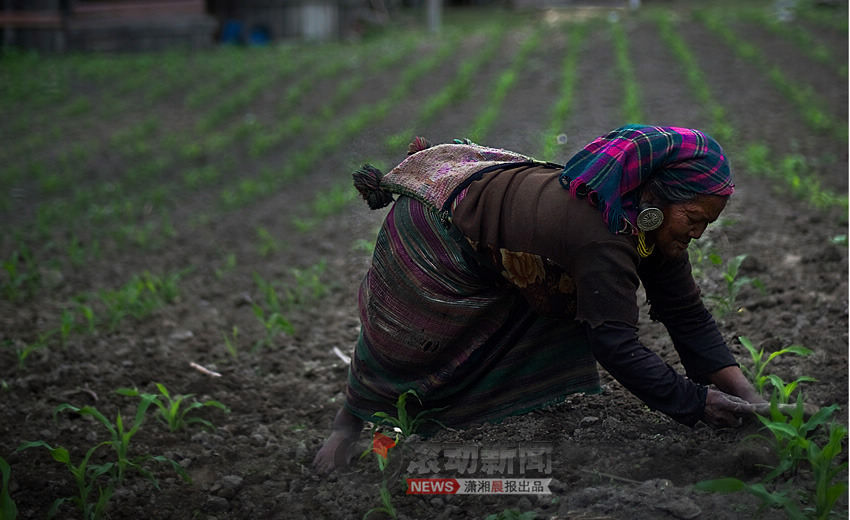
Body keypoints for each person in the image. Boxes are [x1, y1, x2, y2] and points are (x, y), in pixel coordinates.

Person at [313, 125, 764, 474]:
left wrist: (751, 399)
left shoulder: (648, 227)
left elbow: (686, 314)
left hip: (506, 238)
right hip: (437, 225)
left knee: (548, 312)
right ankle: (346, 426)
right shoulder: (603, 236)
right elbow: (615, 344)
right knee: (407, 344)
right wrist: (696, 403)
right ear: (655, 197)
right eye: (694, 218)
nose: (698, 232)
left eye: (709, 223)